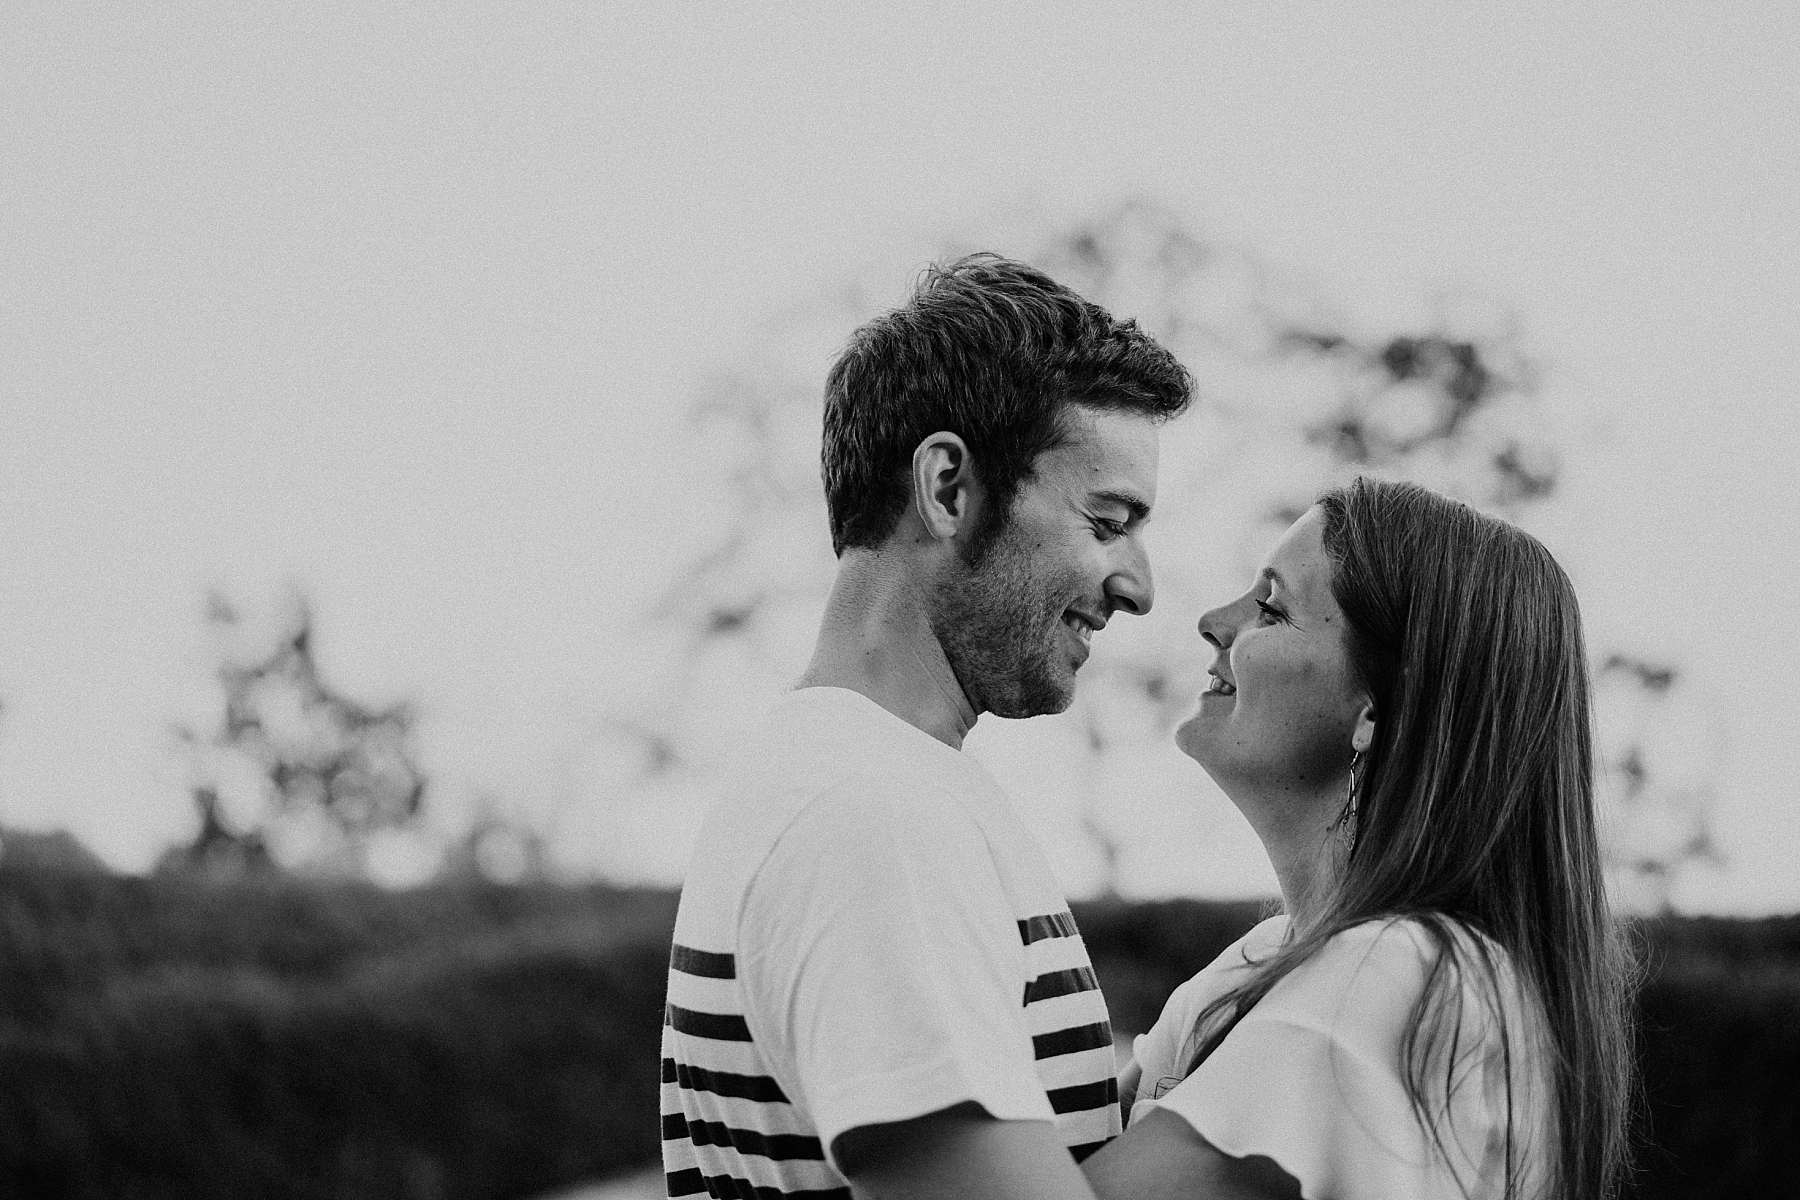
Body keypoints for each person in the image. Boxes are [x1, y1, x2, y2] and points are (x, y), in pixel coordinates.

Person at [660, 254, 1192, 1199]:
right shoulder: (873, 819)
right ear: (949, 488)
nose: (1139, 587)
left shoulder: (869, 783)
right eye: (1108, 522)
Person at [1082, 477, 1636, 1200]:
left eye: (1272, 609)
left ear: (1377, 707)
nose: (1215, 622)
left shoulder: (1405, 974)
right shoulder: (1260, 964)